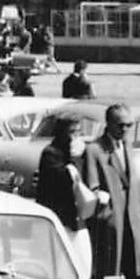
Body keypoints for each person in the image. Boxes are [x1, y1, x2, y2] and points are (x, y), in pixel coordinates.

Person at [82, 104, 140, 279]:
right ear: (109, 124)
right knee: (101, 273)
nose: (125, 130)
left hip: (132, 220)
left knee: (137, 273)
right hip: (111, 223)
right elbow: (92, 187)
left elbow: (133, 182)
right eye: (120, 125)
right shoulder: (95, 150)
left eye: (129, 125)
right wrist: (106, 213)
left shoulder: (127, 146)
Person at [35, 115, 96, 270]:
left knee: (83, 264)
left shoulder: (79, 153)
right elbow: (63, 182)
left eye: (78, 132)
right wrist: (73, 160)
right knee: (62, 266)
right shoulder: (51, 154)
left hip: (77, 218)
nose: (75, 137)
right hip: (60, 219)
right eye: (71, 132)